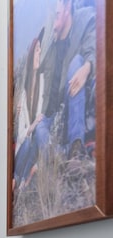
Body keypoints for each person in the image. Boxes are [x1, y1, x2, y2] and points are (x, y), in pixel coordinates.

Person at [33, 0, 96, 158]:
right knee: (40, 127)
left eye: (57, 14)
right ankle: (62, 156)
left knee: (76, 62)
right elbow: (36, 71)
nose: (53, 21)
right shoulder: (50, 46)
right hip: (55, 117)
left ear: (67, 7)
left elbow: (94, 48)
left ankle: (76, 146)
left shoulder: (85, 19)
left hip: (74, 102)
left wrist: (87, 68)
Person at [13, 28, 45, 189]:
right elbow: (20, 136)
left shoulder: (42, 81)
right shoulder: (23, 96)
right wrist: (31, 127)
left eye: (40, 50)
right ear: (32, 54)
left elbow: (42, 116)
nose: (39, 53)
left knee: (32, 145)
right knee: (26, 144)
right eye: (37, 50)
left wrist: (33, 128)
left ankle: (21, 181)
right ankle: (19, 180)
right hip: (23, 149)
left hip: (33, 148)